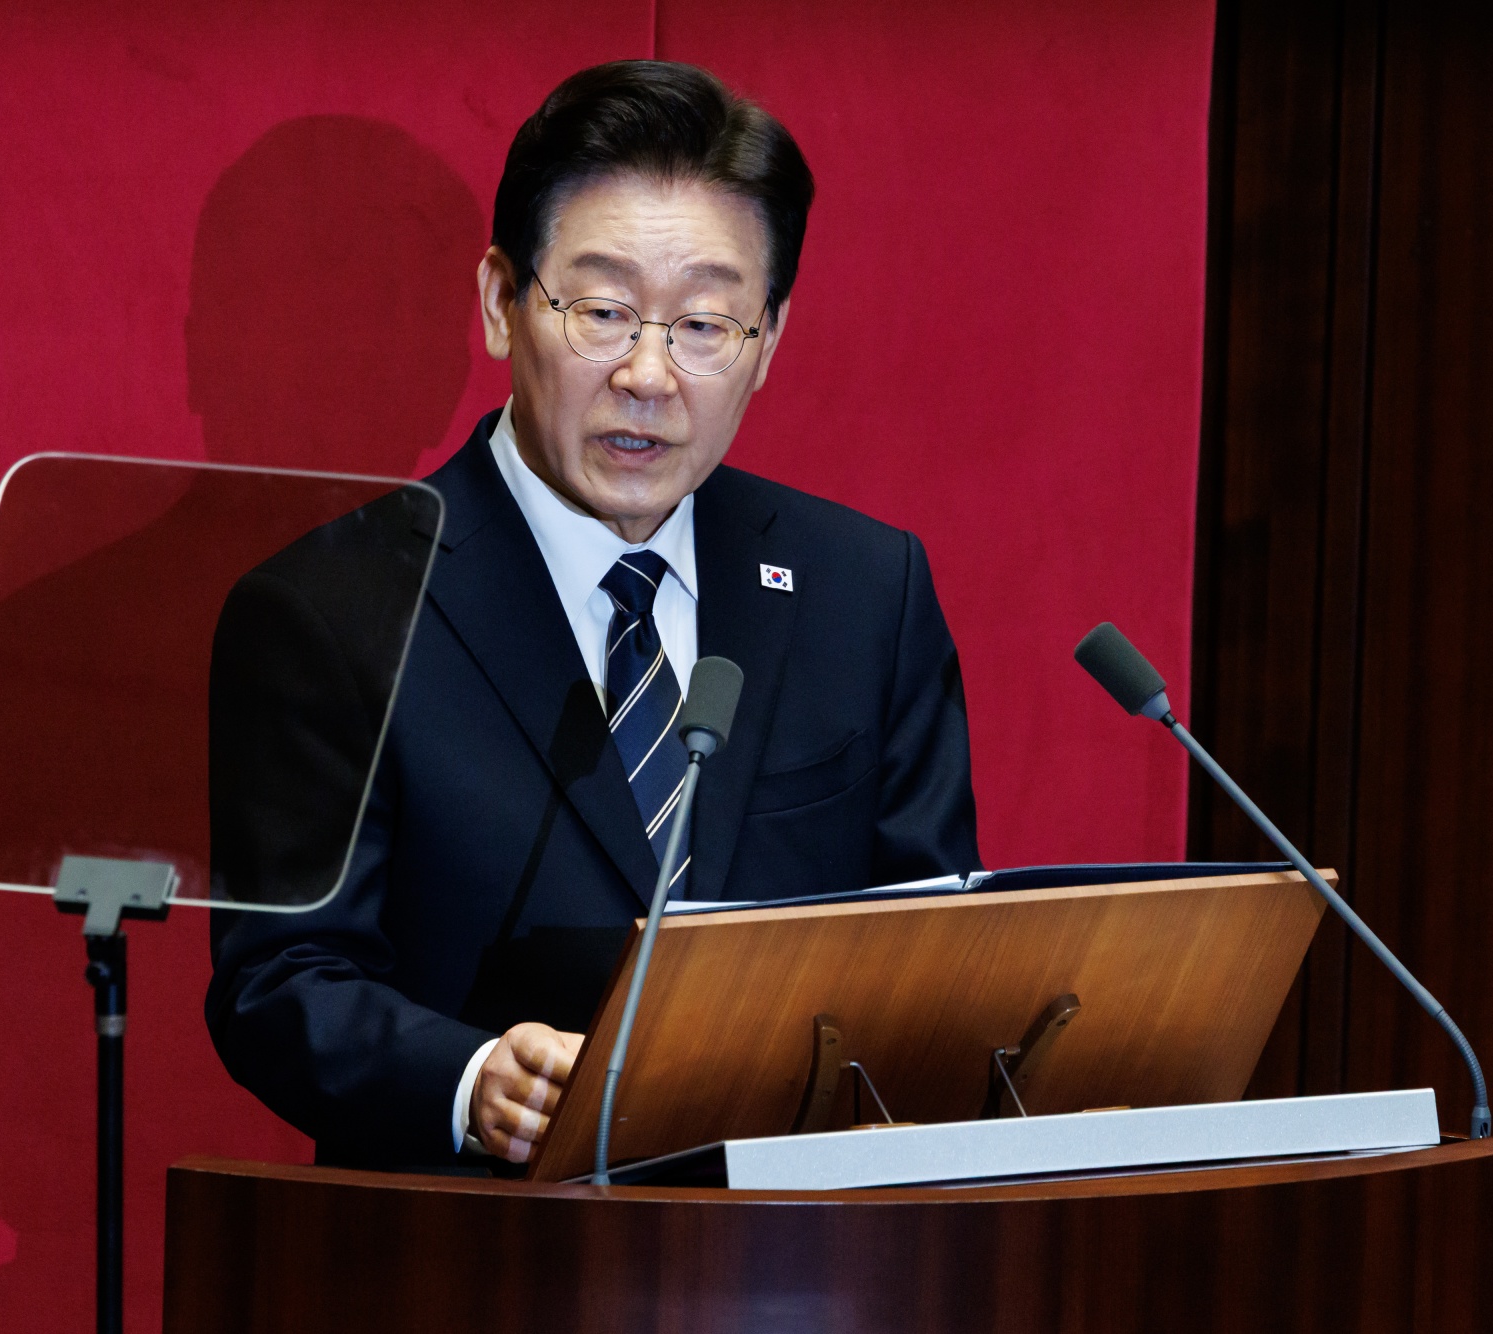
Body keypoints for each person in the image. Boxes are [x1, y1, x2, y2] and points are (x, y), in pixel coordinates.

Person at [206, 60, 980, 1173]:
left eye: (706, 323)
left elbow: (934, 947)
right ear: (498, 302)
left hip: (799, 1259)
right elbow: (277, 981)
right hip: (470, 1253)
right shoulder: (333, 607)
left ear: (768, 341)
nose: (650, 374)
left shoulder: (865, 590)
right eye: (604, 311)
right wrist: (471, 1080)